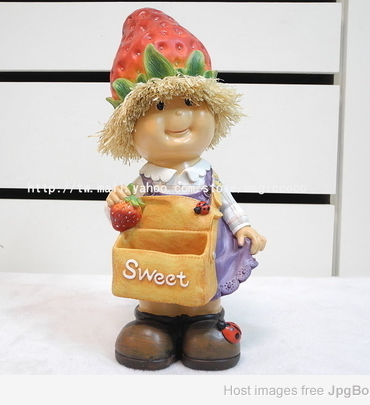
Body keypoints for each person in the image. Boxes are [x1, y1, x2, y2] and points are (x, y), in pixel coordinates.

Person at [98, 8, 266, 371]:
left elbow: (226, 201)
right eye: (159, 106)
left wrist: (242, 226)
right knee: (155, 291)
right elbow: (125, 211)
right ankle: (154, 321)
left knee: (205, 287)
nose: (178, 116)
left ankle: (203, 321)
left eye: (190, 103)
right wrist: (117, 204)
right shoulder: (144, 181)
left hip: (204, 251)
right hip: (156, 258)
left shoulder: (207, 175)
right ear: (130, 129)